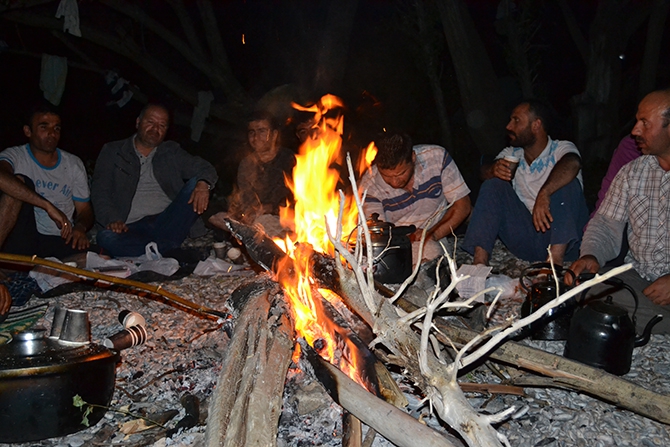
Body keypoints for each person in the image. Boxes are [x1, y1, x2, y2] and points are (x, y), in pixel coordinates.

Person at [568, 89, 670, 334]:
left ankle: (632, 318)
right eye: (637, 121)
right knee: (579, 285)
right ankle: (645, 320)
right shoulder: (633, 172)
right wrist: (591, 255)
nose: (635, 130)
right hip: (639, 279)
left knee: (594, 309)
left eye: (644, 123)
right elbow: (605, 224)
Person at [462, 100, 589, 265]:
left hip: (564, 239)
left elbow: (573, 163)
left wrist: (544, 194)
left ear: (536, 125)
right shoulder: (512, 154)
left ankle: (553, 265)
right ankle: (479, 264)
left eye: (516, 121)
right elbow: (483, 173)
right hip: (528, 239)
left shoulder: (561, 149)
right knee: (492, 184)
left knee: (568, 184)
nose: (508, 126)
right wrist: (492, 170)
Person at [91, 103, 218, 258]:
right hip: (129, 226)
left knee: (195, 184)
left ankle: (154, 250)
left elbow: (205, 168)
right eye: (150, 122)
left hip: (166, 222)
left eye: (162, 125)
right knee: (105, 238)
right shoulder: (113, 151)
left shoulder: (170, 151)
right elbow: (100, 192)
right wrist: (112, 219)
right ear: (138, 122)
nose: (155, 129)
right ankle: (167, 250)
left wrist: (203, 184)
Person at [358, 131, 471, 259]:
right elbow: (377, 234)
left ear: (413, 157)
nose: (395, 182)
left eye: (401, 173)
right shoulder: (370, 185)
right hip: (395, 245)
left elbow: (462, 205)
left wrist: (430, 234)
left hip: (435, 235)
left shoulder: (436, 158)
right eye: (387, 176)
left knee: (431, 252)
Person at [0, 104, 93, 259]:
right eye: (44, 127)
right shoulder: (15, 155)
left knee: (102, 258)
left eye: (56, 128)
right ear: (28, 131)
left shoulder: (73, 163)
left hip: (57, 237)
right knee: (18, 183)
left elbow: (85, 210)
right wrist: (47, 206)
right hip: (22, 235)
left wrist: (80, 227)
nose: (51, 133)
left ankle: (37, 267)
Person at [226, 110, 296, 224]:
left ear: (274, 135)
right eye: (252, 132)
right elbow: (245, 197)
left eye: (261, 131)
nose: (256, 137)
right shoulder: (246, 163)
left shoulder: (291, 160)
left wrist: (271, 208)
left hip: (286, 218)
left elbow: (301, 200)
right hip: (257, 218)